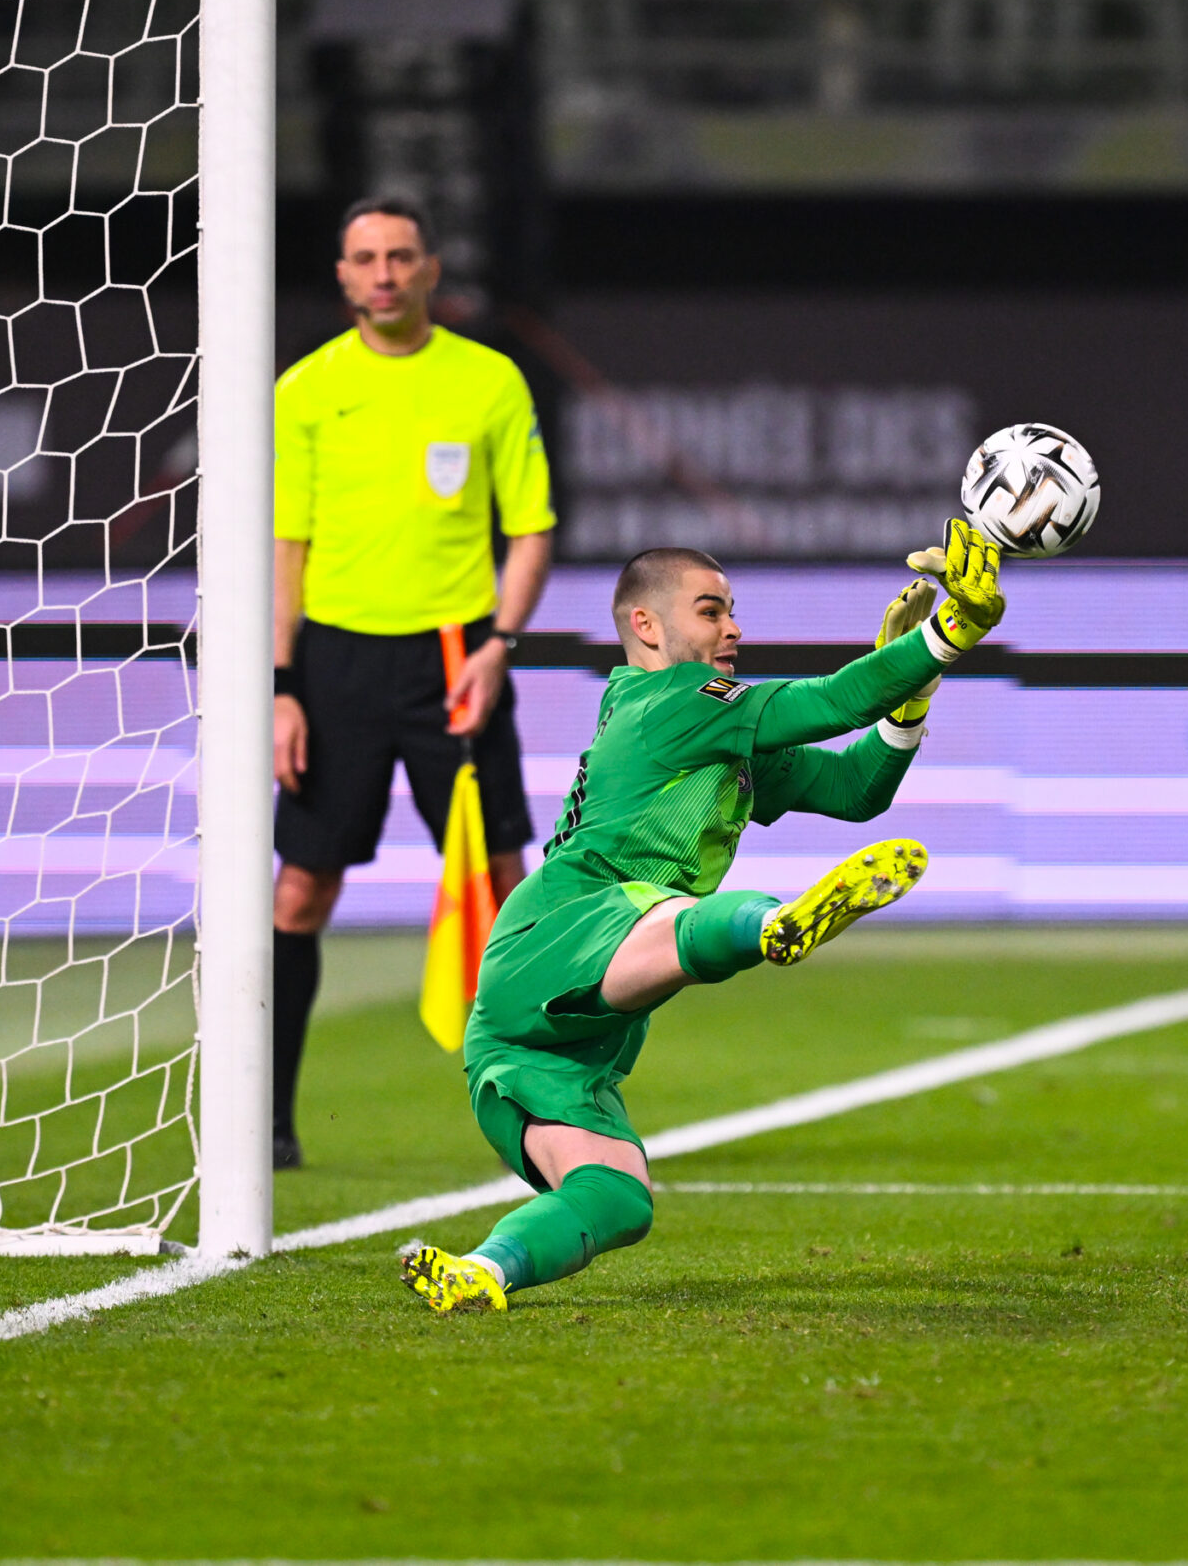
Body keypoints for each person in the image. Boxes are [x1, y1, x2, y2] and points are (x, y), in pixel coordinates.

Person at [396, 523, 1003, 1312]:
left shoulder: (723, 738)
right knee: (675, 910)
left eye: (733, 611)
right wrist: (945, 634)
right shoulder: (672, 701)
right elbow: (827, 701)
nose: (734, 629)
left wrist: (909, 698)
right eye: (711, 611)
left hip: (552, 1040)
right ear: (646, 626)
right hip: (558, 934)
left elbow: (858, 790)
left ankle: (480, 1270)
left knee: (618, 1201)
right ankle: (769, 926)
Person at [273, 195, 556, 1169]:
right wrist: (281, 683)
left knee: (507, 888)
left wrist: (499, 642)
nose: (384, 272)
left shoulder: (487, 381)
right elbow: (286, 545)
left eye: (401, 255)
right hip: (336, 661)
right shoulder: (305, 390)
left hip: (455, 658)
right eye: (365, 257)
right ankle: (266, 1121)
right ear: (343, 275)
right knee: (301, 890)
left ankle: (543, 1108)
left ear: (429, 267)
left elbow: (530, 529)